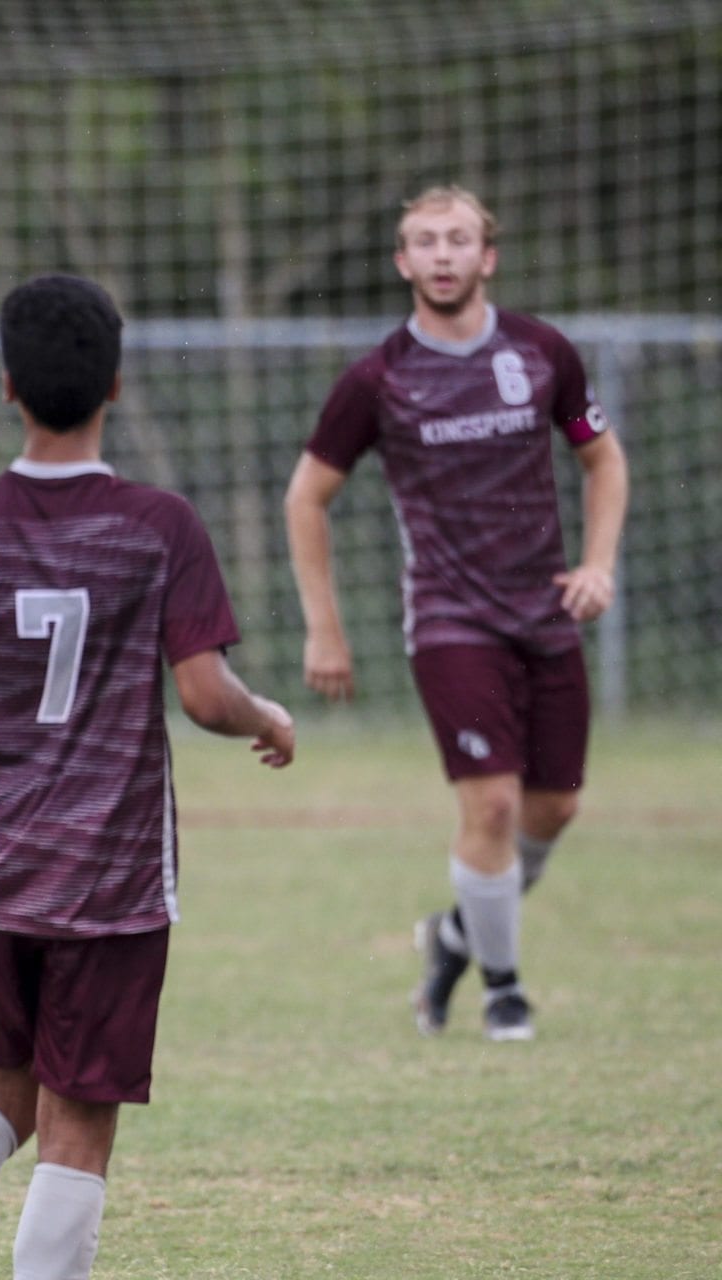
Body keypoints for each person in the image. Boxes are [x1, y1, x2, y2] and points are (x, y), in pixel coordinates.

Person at [0, 275, 295, 1280]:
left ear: (7, 385)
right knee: (77, 1126)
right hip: (112, 879)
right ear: (118, 386)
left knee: (2, 1087)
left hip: (0, 869)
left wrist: (13, 732)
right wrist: (267, 715)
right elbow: (204, 692)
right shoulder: (161, 526)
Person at [284, 185, 629, 1043]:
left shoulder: (543, 352)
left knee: (554, 810)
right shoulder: (377, 379)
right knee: (494, 812)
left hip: (545, 614)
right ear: (403, 262)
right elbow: (307, 497)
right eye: (425, 242)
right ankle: (503, 990)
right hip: (448, 621)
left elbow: (605, 462)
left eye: (458, 239)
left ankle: (453, 937)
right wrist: (324, 626)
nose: (442, 255)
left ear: (488, 256)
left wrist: (597, 565)